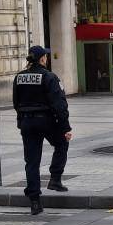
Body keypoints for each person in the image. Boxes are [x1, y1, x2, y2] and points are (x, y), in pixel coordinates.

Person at [13, 46, 72, 215]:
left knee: (31, 161)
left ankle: (35, 201)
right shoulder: (49, 77)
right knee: (61, 143)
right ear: (42, 59)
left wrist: (21, 122)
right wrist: (65, 127)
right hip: (46, 121)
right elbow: (59, 105)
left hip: (26, 122)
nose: (46, 59)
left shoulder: (19, 77)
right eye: (45, 57)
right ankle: (55, 179)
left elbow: (16, 103)